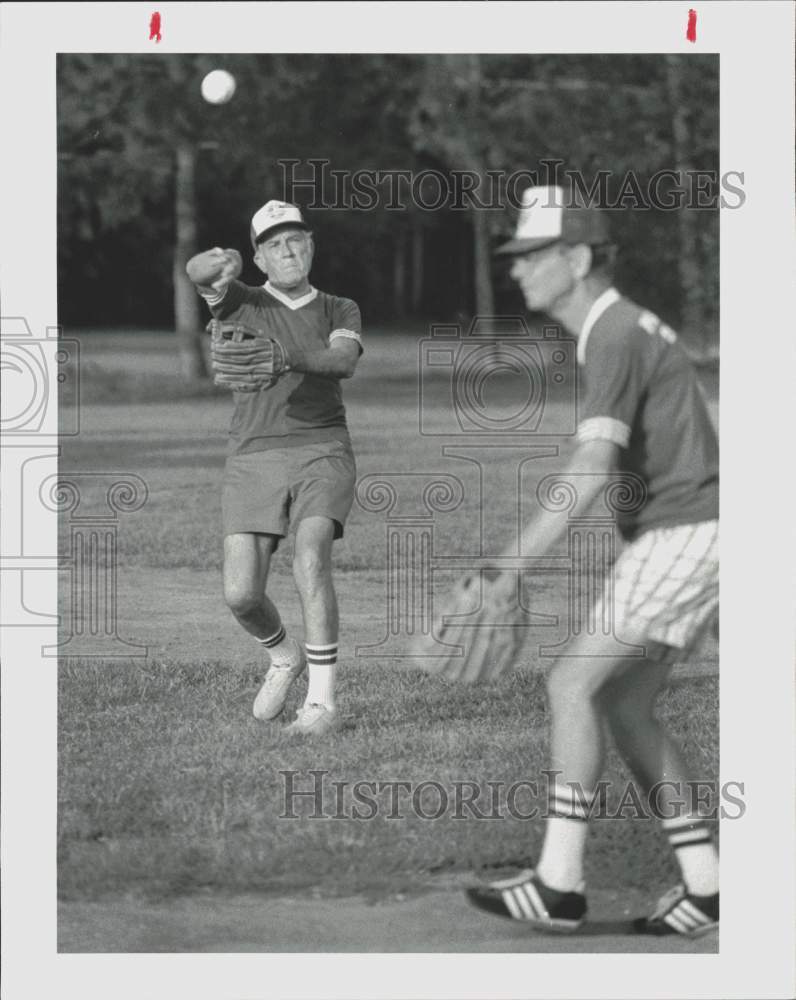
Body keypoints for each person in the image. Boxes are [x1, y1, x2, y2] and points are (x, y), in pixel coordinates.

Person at [465, 185, 720, 937]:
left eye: (533, 255)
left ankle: (559, 883)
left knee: (572, 682)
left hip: (688, 531)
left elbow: (587, 473)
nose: (518, 270)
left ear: (577, 258)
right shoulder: (618, 329)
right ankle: (707, 884)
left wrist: (505, 568)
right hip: (702, 530)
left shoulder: (612, 333)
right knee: (625, 703)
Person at [186, 200, 363, 737]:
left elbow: (343, 361)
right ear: (261, 257)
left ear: (310, 244)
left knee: (311, 559)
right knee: (241, 594)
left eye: (297, 240)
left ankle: (322, 705)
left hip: (322, 446)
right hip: (253, 451)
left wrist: (286, 356)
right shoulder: (241, 299)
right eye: (276, 245)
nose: (289, 251)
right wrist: (218, 262)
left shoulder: (338, 307)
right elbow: (195, 272)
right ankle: (284, 656)